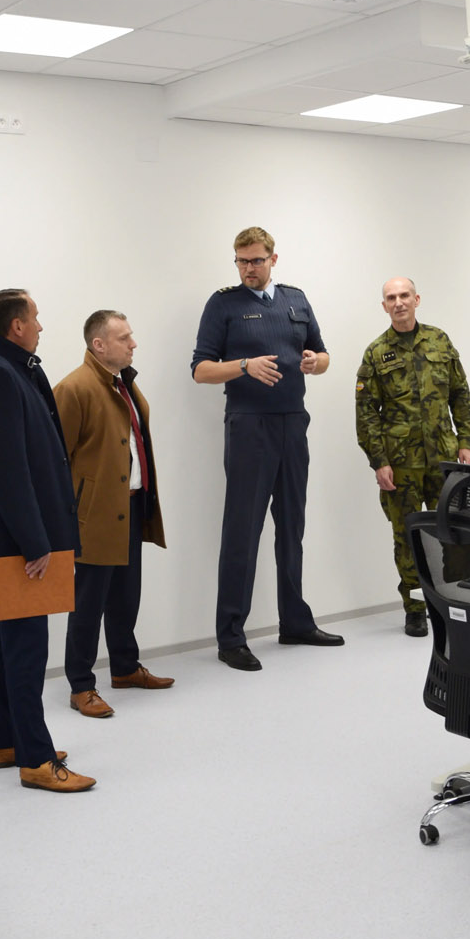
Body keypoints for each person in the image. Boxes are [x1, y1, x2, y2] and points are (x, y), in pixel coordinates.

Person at [0, 288, 95, 792]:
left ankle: (6, 741)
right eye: (35, 318)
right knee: (26, 648)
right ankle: (36, 760)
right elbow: (5, 470)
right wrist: (35, 543)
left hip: (8, 536)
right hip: (15, 542)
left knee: (4, 639)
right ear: (16, 325)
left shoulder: (7, 368)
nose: (40, 326)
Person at [191, 226, 344, 671]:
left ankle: (295, 622)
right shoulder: (223, 304)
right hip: (249, 427)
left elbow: (323, 355)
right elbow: (200, 370)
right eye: (241, 261)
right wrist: (243, 366)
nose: (248, 269)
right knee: (243, 531)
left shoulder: (296, 299)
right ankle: (230, 637)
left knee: (292, 527)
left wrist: (316, 362)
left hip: (293, 423)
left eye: (256, 261)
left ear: (273, 259)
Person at [52, 310, 174, 718]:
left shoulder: (124, 383)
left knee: (125, 595)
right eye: (124, 338)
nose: (133, 344)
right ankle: (81, 686)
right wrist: (67, 515)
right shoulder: (74, 388)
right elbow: (55, 460)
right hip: (94, 514)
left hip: (131, 505)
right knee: (88, 603)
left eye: (131, 336)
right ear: (99, 345)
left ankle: (124, 668)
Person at [354, 277, 470, 637]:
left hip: (444, 458)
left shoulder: (439, 340)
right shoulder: (376, 353)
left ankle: (460, 602)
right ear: (384, 306)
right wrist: (379, 461)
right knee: (408, 538)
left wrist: (466, 440)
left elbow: (460, 393)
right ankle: (415, 609)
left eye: (404, 295)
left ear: (416, 299)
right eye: (391, 298)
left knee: (455, 531)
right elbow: (366, 412)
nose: (399, 302)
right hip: (401, 464)